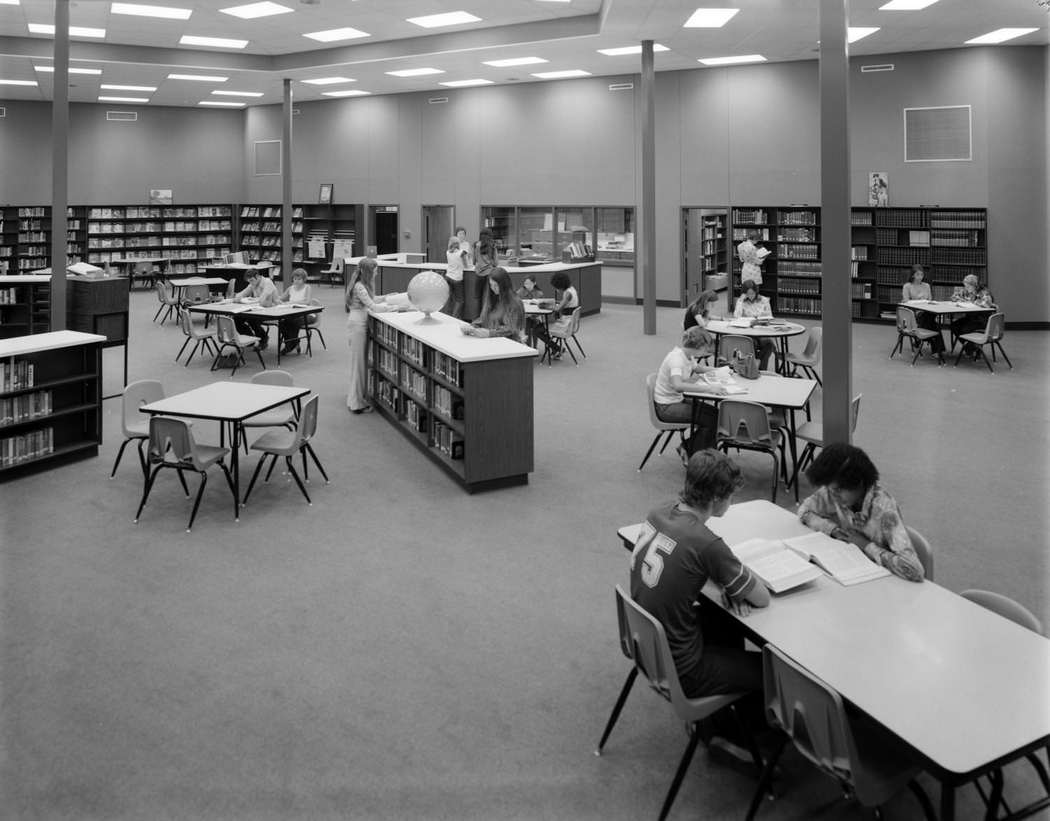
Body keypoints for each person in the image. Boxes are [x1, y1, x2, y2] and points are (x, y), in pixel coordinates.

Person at [630, 449, 769, 757]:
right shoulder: (708, 544)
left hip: (648, 646)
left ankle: (720, 722)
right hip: (684, 671)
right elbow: (761, 597)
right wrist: (735, 580)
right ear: (719, 498)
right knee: (770, 670)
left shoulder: (658, 512)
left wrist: (722, 581)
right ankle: (736, 736)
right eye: (731, 495)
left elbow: (684, 565)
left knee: (720, 621)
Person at [797, 443, 925, 582]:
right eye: (830, 489)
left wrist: (866, 546)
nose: (833, 496)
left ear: (859, 483)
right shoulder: (834, 492)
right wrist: (833, 530)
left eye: (838, 490)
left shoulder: (884, 510)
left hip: (885, 583)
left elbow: (914, 570)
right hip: (852, 573)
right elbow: (805, 510)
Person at [654, 327, 728, 458]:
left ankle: (691, 449)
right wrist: (710, 388)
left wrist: (720, 371)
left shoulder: (687, 354)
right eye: (705, 349)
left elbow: (698, 368)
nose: (707, 352)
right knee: (711, 420)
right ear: (698, 347)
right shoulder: (676, 360)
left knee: (716, 415)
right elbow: (678, 385)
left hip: (676, 400)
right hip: (666, 406)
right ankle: (696, 455)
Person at [345, 257, 396, 414]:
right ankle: (356, 404)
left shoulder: (361, 285)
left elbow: (371, 299)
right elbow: (373, 306)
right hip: (358, 326)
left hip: (359, 323)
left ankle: (354, 398)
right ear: (367, 272)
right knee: (359, 365)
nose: (376, 273)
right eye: (374, 271)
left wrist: (388, 297)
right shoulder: (360, 287)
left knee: (359, 364)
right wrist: (394, 307)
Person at [463, 267, 525, 342]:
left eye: (496, 285)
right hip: (492, 342)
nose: (493, 288)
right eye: (491, 285)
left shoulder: (514, 302)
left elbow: (511, 328)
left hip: (508, 344)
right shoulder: (492, 298)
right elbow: (483, 318)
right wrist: (472, 326)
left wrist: (490, 333)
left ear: (504, 285)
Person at [901, 265, 944, 356]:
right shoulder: (907, 286)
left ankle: (919, 341)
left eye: (922, 274)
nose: (920, 277)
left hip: (927, 312)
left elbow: (930, 299)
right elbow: (905, 301)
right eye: (918, 274)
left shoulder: (926, 286)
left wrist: (928, 302)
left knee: (930, 318)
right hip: (914, 314)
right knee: (934, 324)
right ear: (913, 275)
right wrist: (918, 301)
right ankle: (938, 349)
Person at [733, 279, 775, 370]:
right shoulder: (741, 301)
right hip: (747, 332)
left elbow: (769, 316)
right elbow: (736, 316)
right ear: (744, 293)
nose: (751, 296)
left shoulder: (764, 300)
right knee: (752, 343)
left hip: (761, 331)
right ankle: (754, 367)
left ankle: (760, 368)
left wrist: (761, 319)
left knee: (769, 344)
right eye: (748, 294)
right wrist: (740, 301)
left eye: (753, 293)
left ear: (756, 292)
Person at [232, 268, 279, 348]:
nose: (250, 283)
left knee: (252, 318)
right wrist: (237, 297)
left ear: (257, 276)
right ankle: (251, 340)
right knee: (236, 319)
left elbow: (262, 300)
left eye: (252, 280)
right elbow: (242, 293)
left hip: (271, 311)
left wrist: (250, 301)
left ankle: (263, 339)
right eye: (249, 281)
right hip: (258, 309)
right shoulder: (253, 283)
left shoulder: (267, 282)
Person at [950, 274, 996, 352]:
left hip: (982, 320)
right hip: (972, 318)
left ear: (974, 285)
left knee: (964, 330)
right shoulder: (968, 291)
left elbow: (986, 303)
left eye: (968, 286)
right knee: (954, 326)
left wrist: (972, 302)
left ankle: (972, 348)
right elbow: (953, 297)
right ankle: (972, 348)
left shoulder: (984, 292)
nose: (966, 288)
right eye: (965, 286)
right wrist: (959, 299)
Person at [277, 267, 313, 354]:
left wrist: (292, 302)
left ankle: (289, 345)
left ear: (304, 279)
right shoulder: (290, 288)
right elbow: (281, 298)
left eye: (299, 279)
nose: (296, 281)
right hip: (292, 314)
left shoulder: (307, 287)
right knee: (282, 322)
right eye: (295, 279)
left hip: (306, 314)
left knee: (293, 322)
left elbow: (307, 302)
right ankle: (294, 343)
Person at [444, 227, 471, 319]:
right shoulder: (462, 253)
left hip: (448, 277)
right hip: (457, 279)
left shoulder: (447, 252)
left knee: (449, 298)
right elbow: (466, 266)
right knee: (460, 301)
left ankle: (447, 316)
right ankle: (454, 318)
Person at [473, 229, 498, 317]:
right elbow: (496, 263)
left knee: (477, 298)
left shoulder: (476, 246)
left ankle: (477, 318)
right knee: (488, 298)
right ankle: (487, 319)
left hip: (478, 274)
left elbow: (474, 261)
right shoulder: (493, 246)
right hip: (489, 274)